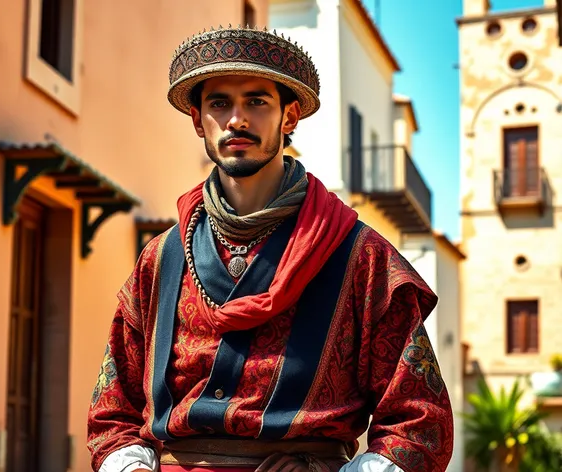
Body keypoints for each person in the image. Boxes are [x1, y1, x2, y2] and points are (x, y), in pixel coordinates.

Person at [87, 25, 453, 472]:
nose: (236, 120)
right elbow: (112, 410)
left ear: (290, 117)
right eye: (219, 103)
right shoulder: (161, 258)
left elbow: (419, 422)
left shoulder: (362, 258)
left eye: (256, 102)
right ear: (198, 120)